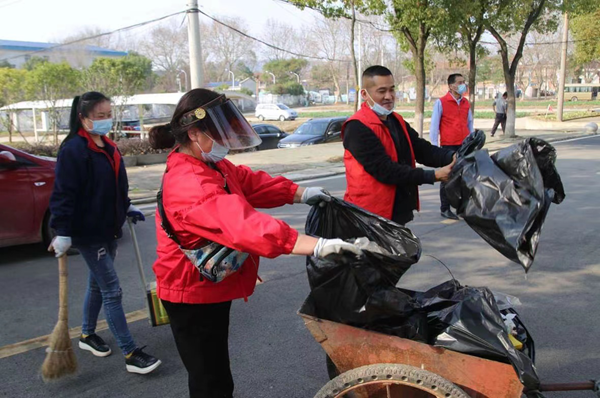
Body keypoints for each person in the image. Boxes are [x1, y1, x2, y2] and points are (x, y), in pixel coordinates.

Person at [148, 88, 369, 398]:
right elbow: (244, 226)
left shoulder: (210, 164)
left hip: (207, 284)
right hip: (189, 292)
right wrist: (315, 245)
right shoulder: (190, 181)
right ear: (195, 133)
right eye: (221, 134)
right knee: (211, 381)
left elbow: (249, 182)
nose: (226, 143)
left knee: (213, 372)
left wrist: (299, 193)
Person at [48, 91, 161, 374]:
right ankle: (130, 352)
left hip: (109, 228)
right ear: (83, 118)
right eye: (99, 116)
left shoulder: (108, 146)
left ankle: (87, 334)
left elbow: (115, 186)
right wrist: (62, 231)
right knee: (112, 290)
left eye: (108, 114)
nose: (105, 120)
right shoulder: (74, 150)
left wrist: (127, 206)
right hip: (87, 233)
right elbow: (64, 193)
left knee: (97, 284)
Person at [342, 65, 456, 226]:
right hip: (370, 216)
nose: (389, 96)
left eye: (392, 90)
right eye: (381, 91)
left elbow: (421, 149)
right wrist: (433, 176)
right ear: (364, 94)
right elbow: (385, 170)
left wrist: (452, 156)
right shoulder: (356, 127)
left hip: (398, 211)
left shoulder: (396, 120)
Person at [429, 73, 475, 220]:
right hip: (448, 145)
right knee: (447, 177)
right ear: (451, 86)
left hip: (464, 145)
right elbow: (434, 126)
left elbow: (470, 123)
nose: (463, 85)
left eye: (464, 82)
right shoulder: (441, 103)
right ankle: (445, 208)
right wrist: (434, 147)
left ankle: (462, 208)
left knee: (464, 177)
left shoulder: (466, 103)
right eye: (460, 82)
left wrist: (472, 140)